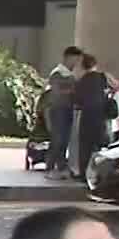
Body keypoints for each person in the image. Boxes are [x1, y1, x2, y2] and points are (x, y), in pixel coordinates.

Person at [71, 52, 113, 179]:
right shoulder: (103, 77)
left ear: (83, 66)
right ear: (95, 64)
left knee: (85, 146)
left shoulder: (81, 80)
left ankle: (84, 174)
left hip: (87, 116)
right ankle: (102, 173)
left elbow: (76, 100)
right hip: (101, 116)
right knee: (102, 145)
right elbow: (116, 85)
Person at [44, 45, 82, 178]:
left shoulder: (70, 75)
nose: (76, 64)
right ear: (68, 58)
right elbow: (56, 92)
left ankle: (60, 167)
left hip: (67, 109)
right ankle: (50, 167)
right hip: (58, 109)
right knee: (58, 138)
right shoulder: (57, 73)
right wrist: (72, 90)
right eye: (75, 60)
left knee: (64, 139)